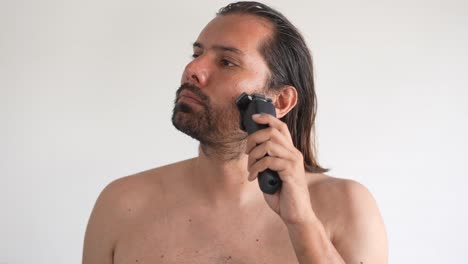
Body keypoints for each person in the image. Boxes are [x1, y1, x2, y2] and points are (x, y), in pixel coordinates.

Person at [82, 1, 388, 263]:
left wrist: (302, 223)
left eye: (226, 62)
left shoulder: (347, 206)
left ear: (280, 101)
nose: (194, 70)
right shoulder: (122, 204)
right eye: (196, 54)